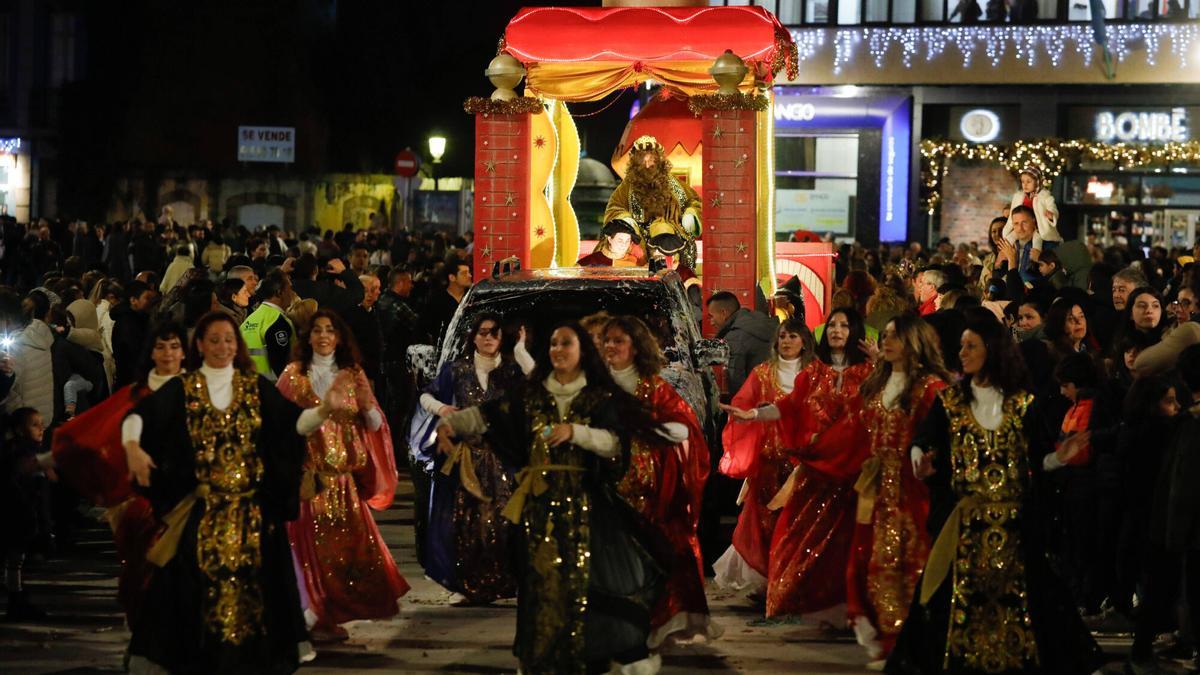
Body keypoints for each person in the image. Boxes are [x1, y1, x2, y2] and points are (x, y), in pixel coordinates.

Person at [120, 312, 346, 674]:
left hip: (253, 519)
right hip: (204, 516)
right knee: (189, 596)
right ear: (199, 346)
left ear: (236, 345)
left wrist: (325, 410)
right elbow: (138, 417)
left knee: (258, 601)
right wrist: (132, 447)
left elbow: (293, 424)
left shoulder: (254, 387)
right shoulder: (184, 388)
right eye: (214, 340)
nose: (222, 347)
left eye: (228, 339)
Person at [434, 321, 665, 674]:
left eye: (566, 343)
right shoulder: (531, 395)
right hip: (539, 509)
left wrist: (577, 432)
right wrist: (452, 425)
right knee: (539, 582)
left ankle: (593, 651)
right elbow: (490, 415)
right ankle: (541, 656)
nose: (558, 350)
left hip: (587, 508)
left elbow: (616, 443)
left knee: (590, 582)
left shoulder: (598, 397)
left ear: (582, 350)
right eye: (553, 343)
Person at [886, 310, 1103, 675]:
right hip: (964, 527)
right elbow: (921, 442)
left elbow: (1038, 460)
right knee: (942, 603)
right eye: (961, 347)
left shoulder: (1023, 406)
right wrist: (920, 461)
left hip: (1015, 529)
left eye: (971, 346)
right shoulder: (950, 404)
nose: (963, 353)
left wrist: (1058, 459)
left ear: (993, 349)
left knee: (1034, 601)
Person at [803, 313, 949, 665]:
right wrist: (814, 450)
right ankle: (888, 638)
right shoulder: (877, 384)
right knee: (868, 562)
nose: (886, 341)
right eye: (884, 335)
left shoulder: (930, 388)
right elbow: (851, 431)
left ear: (914, 341)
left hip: (915, 490)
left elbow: (944, 436)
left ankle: (910, 643)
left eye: (894, 336)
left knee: (913, 563)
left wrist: (930, 462)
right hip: (876, 491)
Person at [277, 310, 409, 638]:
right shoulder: (293, 376)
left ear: (339, 337)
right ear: (307, 337)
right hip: (308, 485)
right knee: (311, 557)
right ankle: (314, 617)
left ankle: (330, 616)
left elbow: (376, 426)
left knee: (345, 557)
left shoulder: (352, 374)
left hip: (343, 486)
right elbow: (279, 428)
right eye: (317, 330)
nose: (323, 336)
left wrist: (367, 406)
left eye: (330, 331)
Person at [51, 321, 187, 625]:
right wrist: (52, 457)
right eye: (160, 346)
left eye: (174, 346)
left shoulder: (198, 391)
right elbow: (97, 429)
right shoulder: (135, 395)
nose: (167, 354)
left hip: (186, 498)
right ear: (150, 352)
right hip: (139, 499)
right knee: (144, 573)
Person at [603, 315, 717, 647]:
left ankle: (656, 621)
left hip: (650, 491)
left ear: (636, 347)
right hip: (604, 488)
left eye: (619, 340)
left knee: (661, 553)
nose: (611, 346)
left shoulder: (655, 388)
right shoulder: (593, 386)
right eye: (607, 340)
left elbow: (684, 428)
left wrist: (648, 431)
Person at [411, 313, 525, 604]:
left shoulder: (513, 372)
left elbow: (535, 397)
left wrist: (523, 353)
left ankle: (503, 583)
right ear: (473, 336)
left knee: (502, 521)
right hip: (464, 461)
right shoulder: (456, 370)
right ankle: (466, 586)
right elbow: (426, 396)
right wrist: (442, 410)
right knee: (465, 521)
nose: (488, 338)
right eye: (483, 332)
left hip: (502, 460)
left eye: (495, 333)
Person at [714, 318, 815, 595]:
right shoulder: (762, 374)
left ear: (804, 341)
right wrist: (751, 413)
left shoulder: (816, 375)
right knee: (763, 520)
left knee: (797, 521)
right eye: (782, 336)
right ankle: (765, 580)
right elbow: (742, 402)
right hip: (770, 460)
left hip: (803, 461)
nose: (786, 341)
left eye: (793, 336)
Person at [604, 135, 701, 270]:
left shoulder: (672, 183)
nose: (648, 164)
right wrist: (625, 219)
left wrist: (690, 215)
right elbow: (614, 206)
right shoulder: (628, 186)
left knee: (667, 240)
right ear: (637, 162)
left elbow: (693, 200)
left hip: (668, 235)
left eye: (652, 159)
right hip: (638, 235)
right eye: (644, 160)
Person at [1, 407, 52, 620]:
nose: (41, 429)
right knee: (13, 557)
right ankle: (16, 599)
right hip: (17, 513)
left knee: (15, 559)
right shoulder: (23, 453)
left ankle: (16, 597)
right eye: (34, 425)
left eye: (42, 424)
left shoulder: (25, 450)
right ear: (20, 430)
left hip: (22, 514)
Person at [706, 291, 778, 397]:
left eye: (711, 316)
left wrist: (738, 406)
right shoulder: (758, 322)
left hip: (758, 400)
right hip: (777, 392)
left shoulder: (736, 336)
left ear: (724, 313)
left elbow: (736, 380)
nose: (711, 322)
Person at [240, 269, 296, 382]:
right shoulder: (277, 321)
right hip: (272, 389)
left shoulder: (249, 320)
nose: (293, 293)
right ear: (280, 292)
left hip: (249, 387)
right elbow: (282, 363)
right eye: (290, 288)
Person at [1002, 166, 1061, 264]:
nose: (1025, 185)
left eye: (1028, 182)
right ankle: (1006, 259)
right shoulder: (1019, 196)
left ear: (1037, 181)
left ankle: (1033, 263)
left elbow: (1052, 207)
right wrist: (1008, 211)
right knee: (1008, 238)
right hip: (1023, 225)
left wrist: (1051, 214)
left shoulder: (1044, 196)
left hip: (1037, 227)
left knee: (1036, 243)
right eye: (1023, 182)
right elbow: (1014, 208)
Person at [422, 259, 472, 348]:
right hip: (444, 351)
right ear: (452, 277)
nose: (469, 275)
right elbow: (424, 327)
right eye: (464, 273)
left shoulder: (473, 297)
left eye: (469, 272)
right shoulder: (437, 300)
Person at [578, 221, 643, 267]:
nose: (624, 244)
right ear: (610, 239)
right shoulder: (593, 260)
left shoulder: (634, 261)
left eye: (627, 241)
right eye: (620, 240)